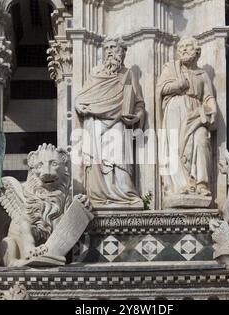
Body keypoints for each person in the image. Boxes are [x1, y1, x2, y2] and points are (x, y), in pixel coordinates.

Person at [75, 37, 145, 208]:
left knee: (119, 156)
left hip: (119, 123)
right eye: (106, 48)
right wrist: (78, 104)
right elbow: (82, 97)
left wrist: (136, 117)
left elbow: (139, 104)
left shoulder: (128, 74)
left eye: (113, 47)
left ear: (122, 51)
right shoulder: (94, 74)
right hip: (96, 122)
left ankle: (125, 195)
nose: (109, 51)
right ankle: (99, 196)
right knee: (97, 160)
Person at [157, 36, 217, 197]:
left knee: (201, 140)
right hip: (174, 111)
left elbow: (208, 96)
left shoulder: (202, 74)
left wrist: (212, 108)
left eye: (188, 46)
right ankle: (181, 185)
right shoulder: (171, 69)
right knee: (174, 147)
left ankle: (201, 183)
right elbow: (161, 89)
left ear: (197, 51)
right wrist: (178, 85)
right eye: (181, 47)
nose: (183, 49)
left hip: (196, 114)